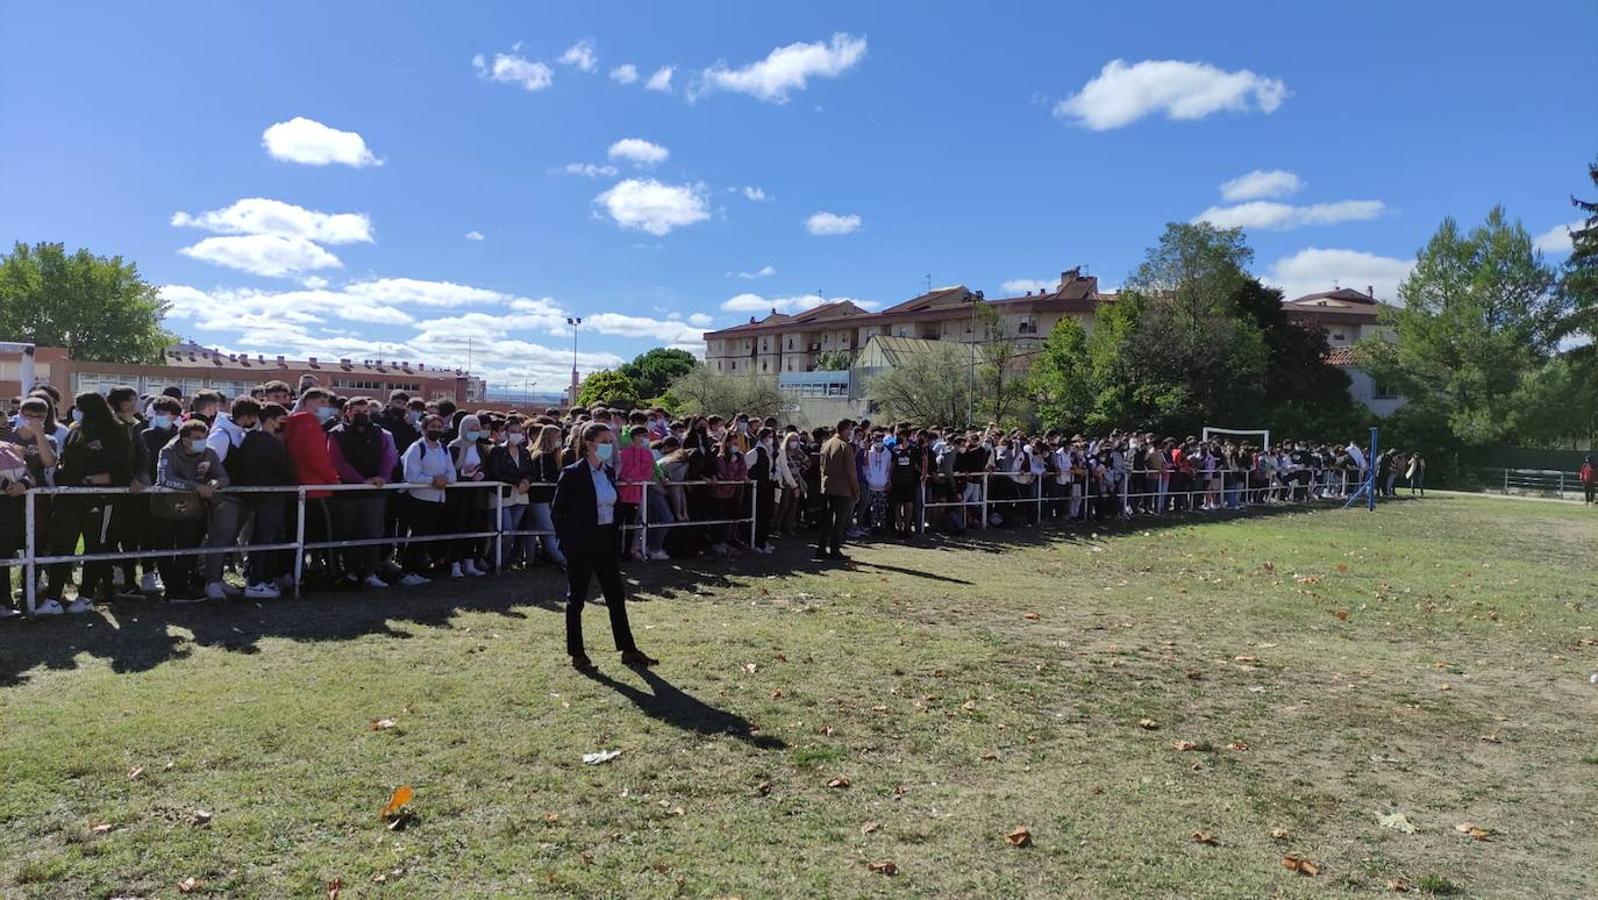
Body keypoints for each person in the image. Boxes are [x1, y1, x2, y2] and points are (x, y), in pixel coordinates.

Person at [550, 422, 657, 673]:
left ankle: (628, 649)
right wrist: (567, 544)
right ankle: (577, 653)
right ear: (589, 443)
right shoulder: (573, 473)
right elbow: (558, 513)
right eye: (605, 441)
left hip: (605, 540)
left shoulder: (607, 472)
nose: (611, 446)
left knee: (616, 596)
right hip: (581, 543)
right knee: (576, 599)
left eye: (612, 441)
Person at [151, 419, 228, 604]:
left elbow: (223, 476)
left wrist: (215, 483)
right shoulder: (168, 451)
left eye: (204, 437)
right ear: (185, 439)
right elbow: (165, 479)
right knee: (164, 550)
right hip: (164, 510)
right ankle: (171, 590)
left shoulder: (209, 452)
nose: (202, 441)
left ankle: (181, 588)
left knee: (189, 549)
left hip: (193, 511)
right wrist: (195, 487)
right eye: (197, 438)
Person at [327, 396, 397, 589]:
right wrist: (361, 481)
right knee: (348, 533)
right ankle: (349, 571)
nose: (362, 415)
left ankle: (370, 572)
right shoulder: (336, 434)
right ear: (347, 412)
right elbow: (337, 462)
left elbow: (390, 457)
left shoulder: (383, 434)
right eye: (357, 412)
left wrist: (382, 477)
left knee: (373, 533)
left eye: (365, 412)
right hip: (349, 492)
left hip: (374, 492)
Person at [815, 418, 859, 560]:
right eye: (850, 429)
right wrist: (855, 490)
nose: (851, 432)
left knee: (827, 520)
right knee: (839, 521)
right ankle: (834, 550)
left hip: (827, 486)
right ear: (845, 429)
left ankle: (821, 548)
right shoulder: (845, 446)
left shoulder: (826, 444)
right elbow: (850, 472)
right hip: (842, 488)